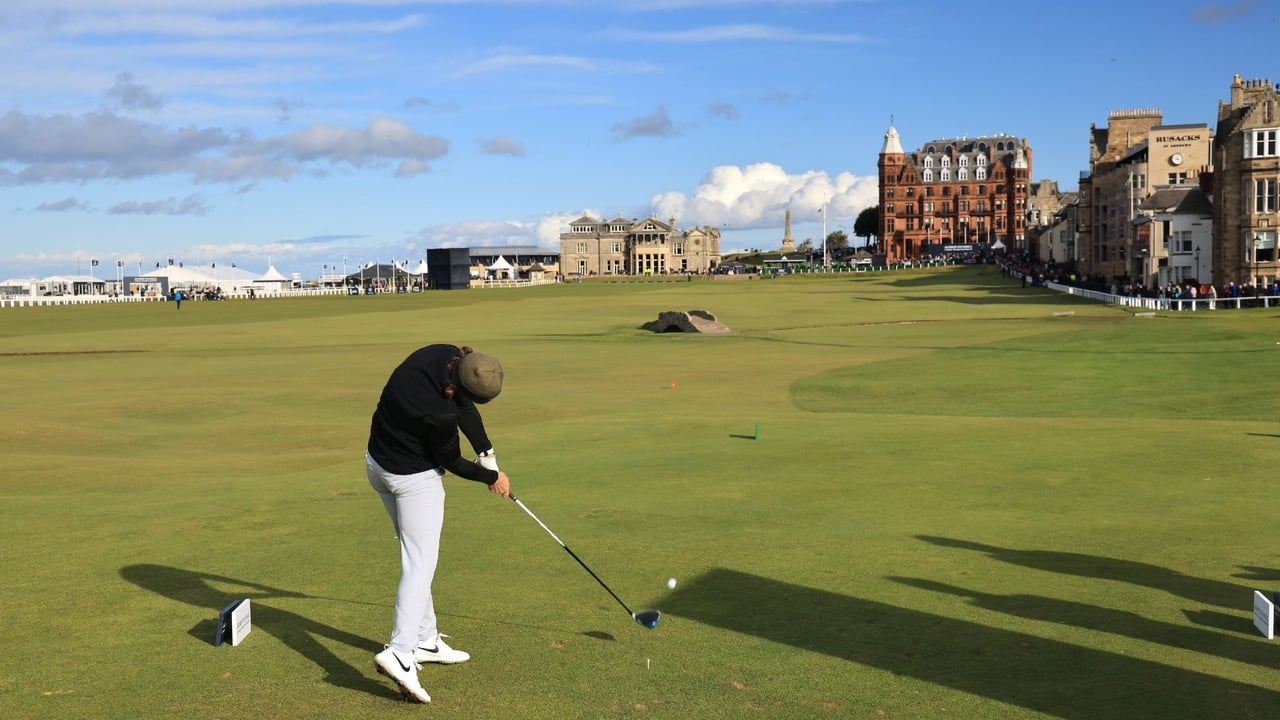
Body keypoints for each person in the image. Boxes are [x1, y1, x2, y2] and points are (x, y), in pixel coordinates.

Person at [365, 344, 511, 704]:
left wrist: (487, 453)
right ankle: (400, 652)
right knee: (420, 564)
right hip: (412, 480)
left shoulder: (440, 354)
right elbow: (452, 460)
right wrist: (489, 478)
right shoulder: (438, 415)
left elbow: (464, 404)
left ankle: (425, 641)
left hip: (376, 464)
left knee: (415, 555)